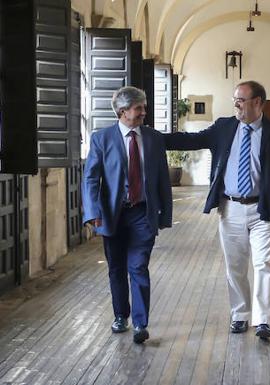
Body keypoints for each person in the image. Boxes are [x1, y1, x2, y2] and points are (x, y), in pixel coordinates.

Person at [164, 81, 270, 339]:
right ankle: (240, 314)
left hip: (263, 209)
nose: (235, 103)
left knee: (264, 264)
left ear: (258, 102)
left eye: (241, 99)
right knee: (235, 266)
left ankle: (264, 320)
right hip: (231, 208)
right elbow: (192, 140)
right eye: (235, 98)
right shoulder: (225, 127)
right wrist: (153, 137)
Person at [82, 86, 172, 344]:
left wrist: (165, 214)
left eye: (144, 107)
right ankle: (121, 315)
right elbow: (90, 179)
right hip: (112, 216)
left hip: (143, 214)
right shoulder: (102, 139)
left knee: (139, 267)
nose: (144, 112)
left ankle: (141, 323)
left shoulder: (154, 138)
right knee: (117, 269)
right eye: (139, 108)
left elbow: (162, 179)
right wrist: (92, 212)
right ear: (123, 112)